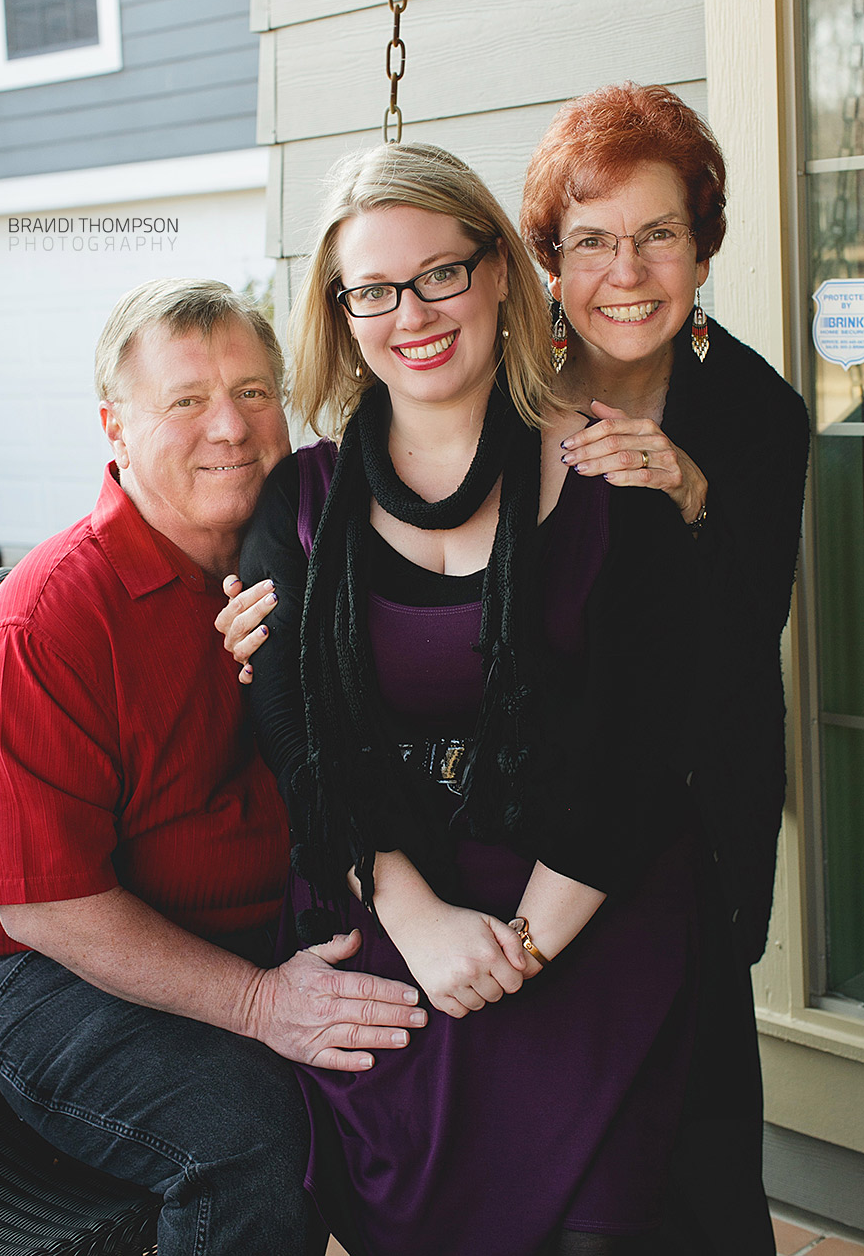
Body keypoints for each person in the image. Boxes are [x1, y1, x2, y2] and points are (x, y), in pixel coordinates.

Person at [237, 141, 704, 1256]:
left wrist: (518, 951)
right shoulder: (299, 507)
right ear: (343, 314)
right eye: (375, 290)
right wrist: (422, 925)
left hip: (588, 905)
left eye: (441, 272)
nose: (413, 312)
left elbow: (638, 746)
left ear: (500, 272)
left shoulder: (611, 477)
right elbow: (302, 736)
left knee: (600, 1229)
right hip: (399, 901)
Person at [0, 279, 429, 1256]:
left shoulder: (308, 550)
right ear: (115, 427)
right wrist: (261, 1006)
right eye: (186, 400)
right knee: (257, 1134)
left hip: (279, 927)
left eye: (256, 392)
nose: (232, 425)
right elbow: (46, 908)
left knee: (470, 1054)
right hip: (63, 977)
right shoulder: (47, 619)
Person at [520, 82, 810, 1255]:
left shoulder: (756, 412)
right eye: (591, 241)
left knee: (693, 1179)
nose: (625, 272)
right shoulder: (498, 391)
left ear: (703, 247)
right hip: (518, 831)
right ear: (548, 259)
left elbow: (742, 646)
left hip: (681, 830)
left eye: (658, 235)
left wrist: (694, 497)